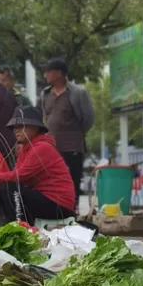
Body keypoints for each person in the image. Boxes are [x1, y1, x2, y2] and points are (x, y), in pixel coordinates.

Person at [0, 106, 76, 224]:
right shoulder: (26, 149)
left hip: (59, 206)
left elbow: (18, 177)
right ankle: (17, 226)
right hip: (47, 201)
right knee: (5, 189)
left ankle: (20, 228)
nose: (16, 130)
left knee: (9, 188)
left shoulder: (42, 148)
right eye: (15, 127)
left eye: (21, 126)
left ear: (36, 128)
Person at [40, 57, 94, 210]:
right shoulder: (45, 94)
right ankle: (56, 209)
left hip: (72, 146)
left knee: (73, 179)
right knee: (52, 180)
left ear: (58, 73)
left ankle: (72, 210)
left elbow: (88, 118)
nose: (46, 76)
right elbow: (45, 116)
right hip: (52, 147)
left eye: (48, 72)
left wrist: (76, 133)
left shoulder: (78, 92)